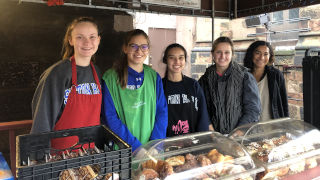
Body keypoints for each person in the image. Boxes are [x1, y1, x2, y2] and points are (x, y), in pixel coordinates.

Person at [30, 17, 102, 149]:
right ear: (71, 40)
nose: (87, 42)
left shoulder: (97, 72)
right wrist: (40, 157)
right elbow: (42, 120)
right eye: (80, 37)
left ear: (98, 40)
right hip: (61, 156)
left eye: (92, 37)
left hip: (89, 153)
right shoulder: (57, 74)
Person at [102, 29, 168, 152]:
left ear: (148, 50)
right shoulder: (110, 78)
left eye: (144, 47)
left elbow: (162, 112)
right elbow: (110, 117)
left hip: (152, 150)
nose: (139, 51)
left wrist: (155, 144)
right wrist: (135, 147)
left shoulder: (153, 77)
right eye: (134, 46)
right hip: (123, 149)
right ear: (125, 48)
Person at [198, 36, 261, 134]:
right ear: (213, 54)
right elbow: (202, 109)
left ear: (232, 54)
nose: (222, 56)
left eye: (227, 52)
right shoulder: (205, 80)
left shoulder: (245, 76)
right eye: (218, 52)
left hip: (241, 137)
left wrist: (238, 132)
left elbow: (253, 109)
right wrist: (211, 132)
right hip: (214, 138)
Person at [162, 43, 211, 137]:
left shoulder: (193, 85)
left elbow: (203, 116)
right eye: (172, 57)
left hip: (191, 145)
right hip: (166, 144)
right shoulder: (159, 86)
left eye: (181, 58)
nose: (177, 61)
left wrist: (202, 142)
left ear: (185, 60)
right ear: (165, 60)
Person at [243, 40, 289, 121]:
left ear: (270, 56)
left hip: (271, 126)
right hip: (249, 126)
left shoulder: (276, 75)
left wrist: (286, 125)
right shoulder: (243, 76)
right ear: (251, 54)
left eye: (266, 54)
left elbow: (284, 103)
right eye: (258, 53)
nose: (261, 57)